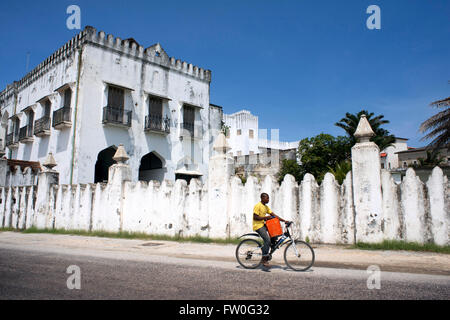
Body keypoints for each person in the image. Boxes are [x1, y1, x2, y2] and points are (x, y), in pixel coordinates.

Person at [253, 193, 290, 268]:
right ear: (262, 198)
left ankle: (272, 245)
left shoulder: (266, 207)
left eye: (268, 198)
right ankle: (264, 258)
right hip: (258, 226)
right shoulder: (258, 206)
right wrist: (265, 217)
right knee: (267, 240)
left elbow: (274, 215)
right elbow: (255, 217)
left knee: (274, 232)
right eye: (267, 198)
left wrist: (284, 220)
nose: (268, 200)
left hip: (263, 224)